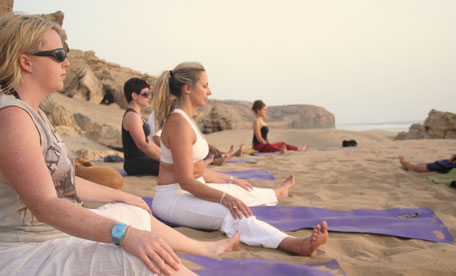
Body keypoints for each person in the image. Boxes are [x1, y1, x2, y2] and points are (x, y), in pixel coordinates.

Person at [0, 13, 240, 276]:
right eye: (58, 54)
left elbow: (61, 182)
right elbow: (45, 203)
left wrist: (123, 196)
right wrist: (122, 234)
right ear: (26, 62)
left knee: (132, 212)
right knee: (140, 259)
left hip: (51, 235)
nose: (67, 62)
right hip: (25, 250)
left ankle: (206, 249)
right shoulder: (12, 117)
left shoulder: (34, 114)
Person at [151, 62, 328, 256]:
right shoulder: (179, 124)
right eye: (205, 86)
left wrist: (231, 181)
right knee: (233, 211)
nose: (209, 91)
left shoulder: (187, 119)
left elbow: (198, 169)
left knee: (240, 190)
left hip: (190, 190)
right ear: (187, 88)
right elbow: (185, 181)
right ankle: (294, 244)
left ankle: (278, 193)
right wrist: (224, 198)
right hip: (172, 200)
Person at [147, 103, 244, 166]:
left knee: (210, 149)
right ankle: (220, 158)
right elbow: (156, 139)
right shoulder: (158, 115)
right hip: (167, 152)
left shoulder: (170, 115)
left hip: (176, 149)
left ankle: (227, 154)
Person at [122, 77, 161, 175]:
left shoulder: (138, 116)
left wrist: (168, 155)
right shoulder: (132, 116)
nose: (149, 97)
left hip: (144, 160)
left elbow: (149, 143)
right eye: (145, 94)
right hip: (135, 164)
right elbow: (143, 145)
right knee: (175, 168)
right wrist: (166, 159)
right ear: (134, 96)